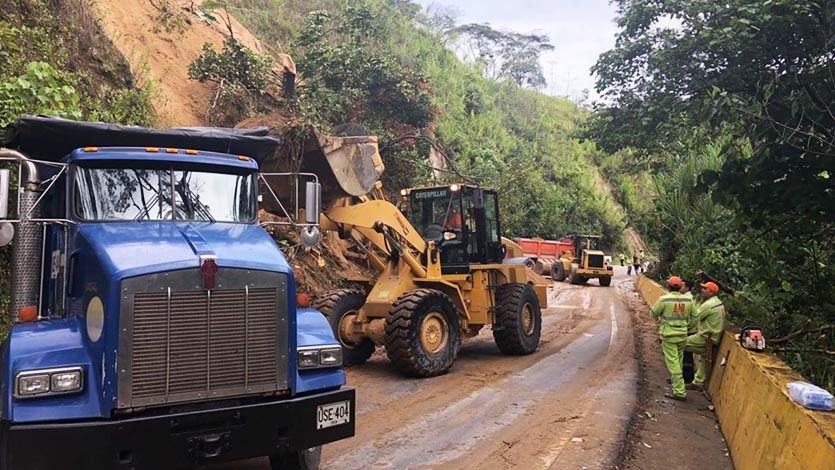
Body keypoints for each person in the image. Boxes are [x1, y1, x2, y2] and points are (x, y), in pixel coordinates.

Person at [650, 276, 697, 401]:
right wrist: (686, 327)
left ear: (669, 286)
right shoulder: (688, 301)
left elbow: (653, 313)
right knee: (679, 361)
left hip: (669, 335)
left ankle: (679, 392)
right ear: (680, 286)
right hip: (682, 335)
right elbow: (695, 317)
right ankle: (678, 385)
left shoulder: (664, 300)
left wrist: (660, 320)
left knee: (673, 363)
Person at [683, 281, 726, 391]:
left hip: (705, 337)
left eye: (705, 289)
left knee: (678, 343)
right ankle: (698, 382)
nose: (702, 290)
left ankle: (680, 376)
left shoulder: (708, 305)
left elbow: (695, 317)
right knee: (703, 357)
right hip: (713, 338)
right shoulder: (718, 303)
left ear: (712, 292)